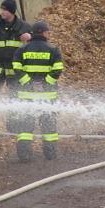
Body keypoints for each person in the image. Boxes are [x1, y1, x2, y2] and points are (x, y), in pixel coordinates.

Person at [14, 19, 65, 163]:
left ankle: (24, 155)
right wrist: (45, 84)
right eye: (48, 31)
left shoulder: (22, 49)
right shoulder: (53, 50)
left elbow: (17, 68)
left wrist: (28, 83)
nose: (49, 34)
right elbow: (57, 70)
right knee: (48, 125)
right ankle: (50, 154)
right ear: (43, 32)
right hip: (48, 95)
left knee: (25, 125)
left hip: (26, 95)